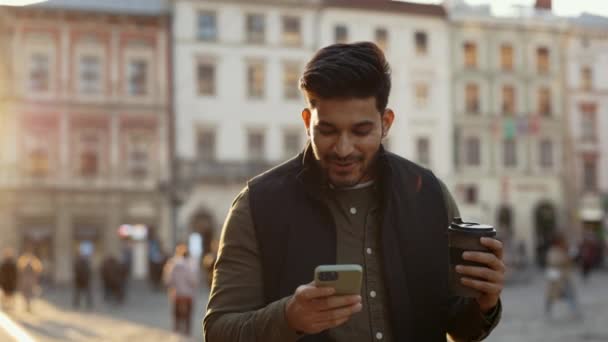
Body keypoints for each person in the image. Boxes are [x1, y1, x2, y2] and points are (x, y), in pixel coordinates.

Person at [203, 42, 504, 341]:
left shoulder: (430, 195)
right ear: (308, 122)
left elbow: (458, 327)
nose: (344, 149)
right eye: (328, 130)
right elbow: (218, 332)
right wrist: (288, 318)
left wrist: (485, 303)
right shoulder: (257, 205)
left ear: (386, 123)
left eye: (360, 131)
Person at [163, 244, 198, 335]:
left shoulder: (172, 263)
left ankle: (176, 329)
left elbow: (168, 280)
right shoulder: (191, 264)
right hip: (188, 294)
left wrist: (171, 287)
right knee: (189, 314)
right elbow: (193, 280)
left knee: (176, 313)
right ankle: (187, 330)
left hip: (176, 293)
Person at [545, 233, 581, 319]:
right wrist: (566, 259)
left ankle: (573, 311)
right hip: (557, 278)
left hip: (565, 277)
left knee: (570, 294)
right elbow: (553, 262)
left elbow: (569, 262)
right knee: (552, 295)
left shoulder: (564, 250)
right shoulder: (553, 251)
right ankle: (548, 310)